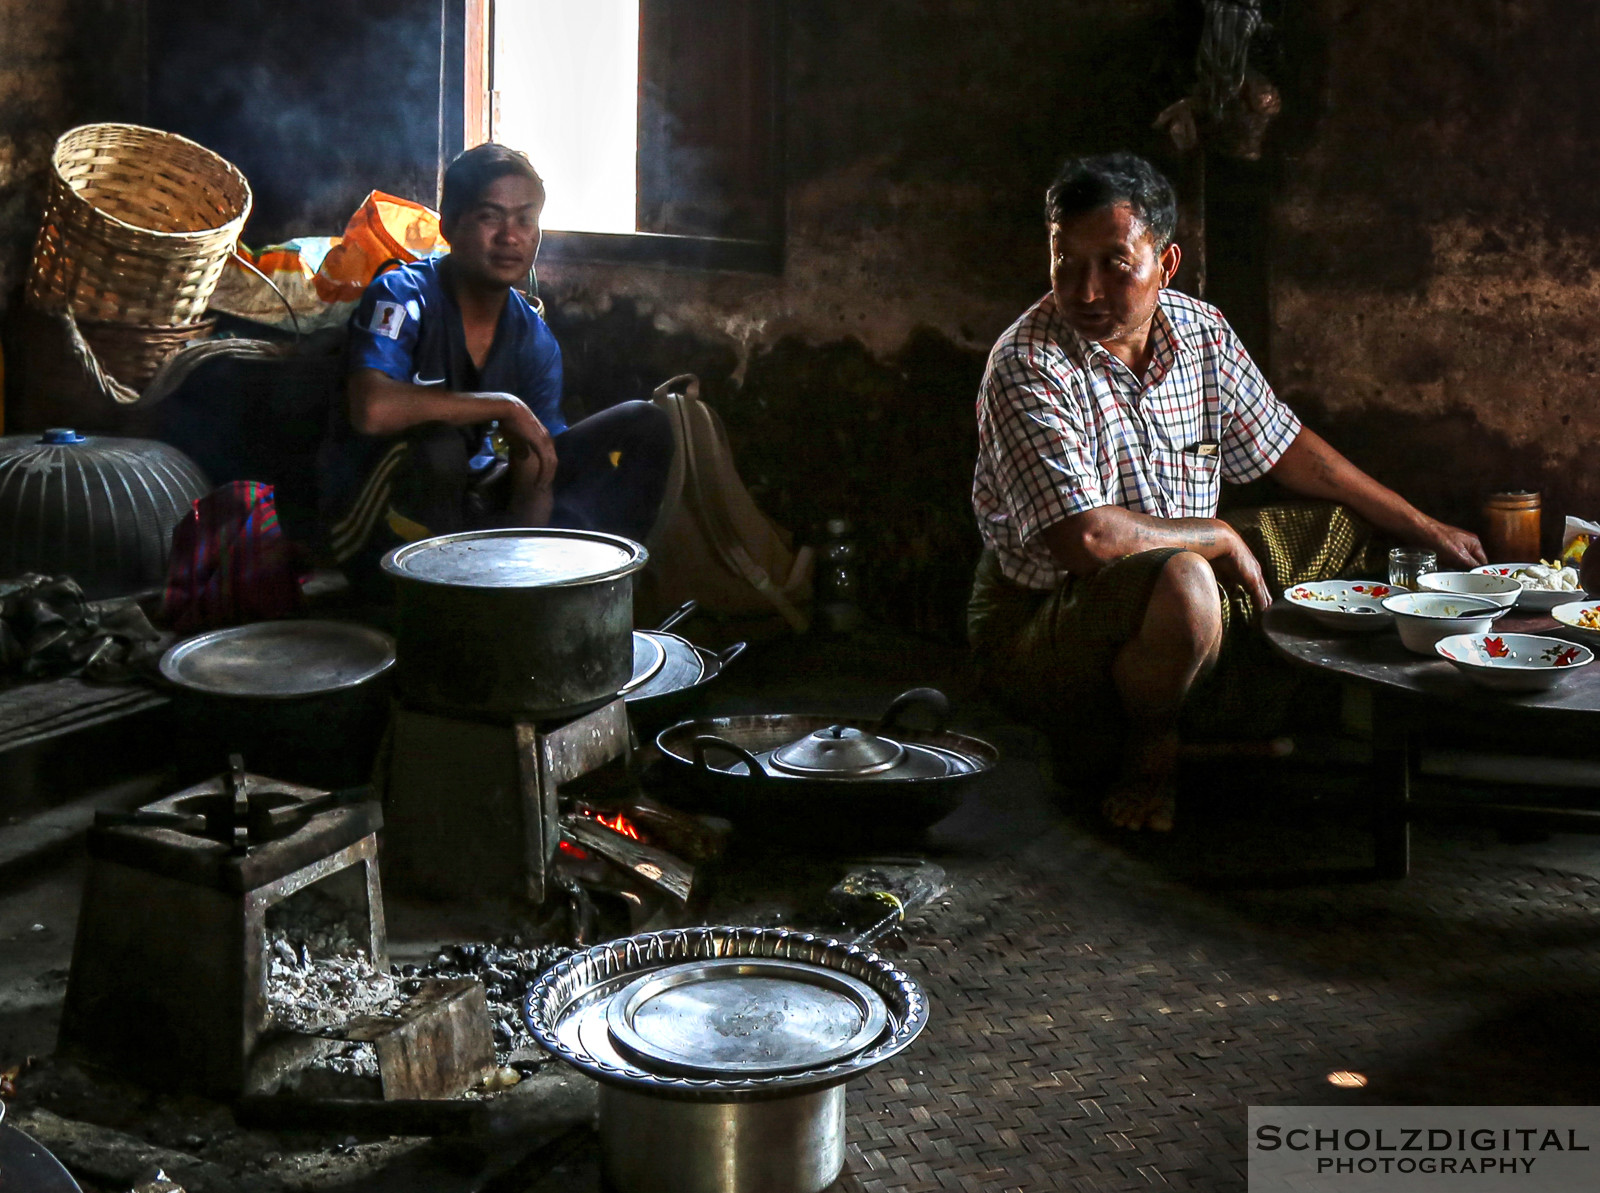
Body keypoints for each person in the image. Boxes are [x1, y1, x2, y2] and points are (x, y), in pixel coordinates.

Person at [968, 152, 1485, 833]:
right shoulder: (1026, 363)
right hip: (1047, 613)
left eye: (1114, 265)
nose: (1085, 290)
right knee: (1186, 580)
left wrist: (1427, 527)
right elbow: (1088, 539)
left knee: (1342, 530)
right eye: (1067, 261)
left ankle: (1213, 720)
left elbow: (1295, 451)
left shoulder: (1201, 333)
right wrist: (1215, 535)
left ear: (1167, 264)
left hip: (1175, 582)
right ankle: (1151, 752)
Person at [322, 143, 672, 584]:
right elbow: (371, 409)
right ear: (450, 224)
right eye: (491, 217)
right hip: (375, 522)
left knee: (644, 423)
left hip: (479, 503)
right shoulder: (404, 294)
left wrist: (526, 557)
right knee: (440, 448)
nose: (511, 236)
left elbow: (537, 462)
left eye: (526, 219)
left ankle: (597, 593)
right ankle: (433, 600)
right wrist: (502, 405)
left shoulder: (531, 337)